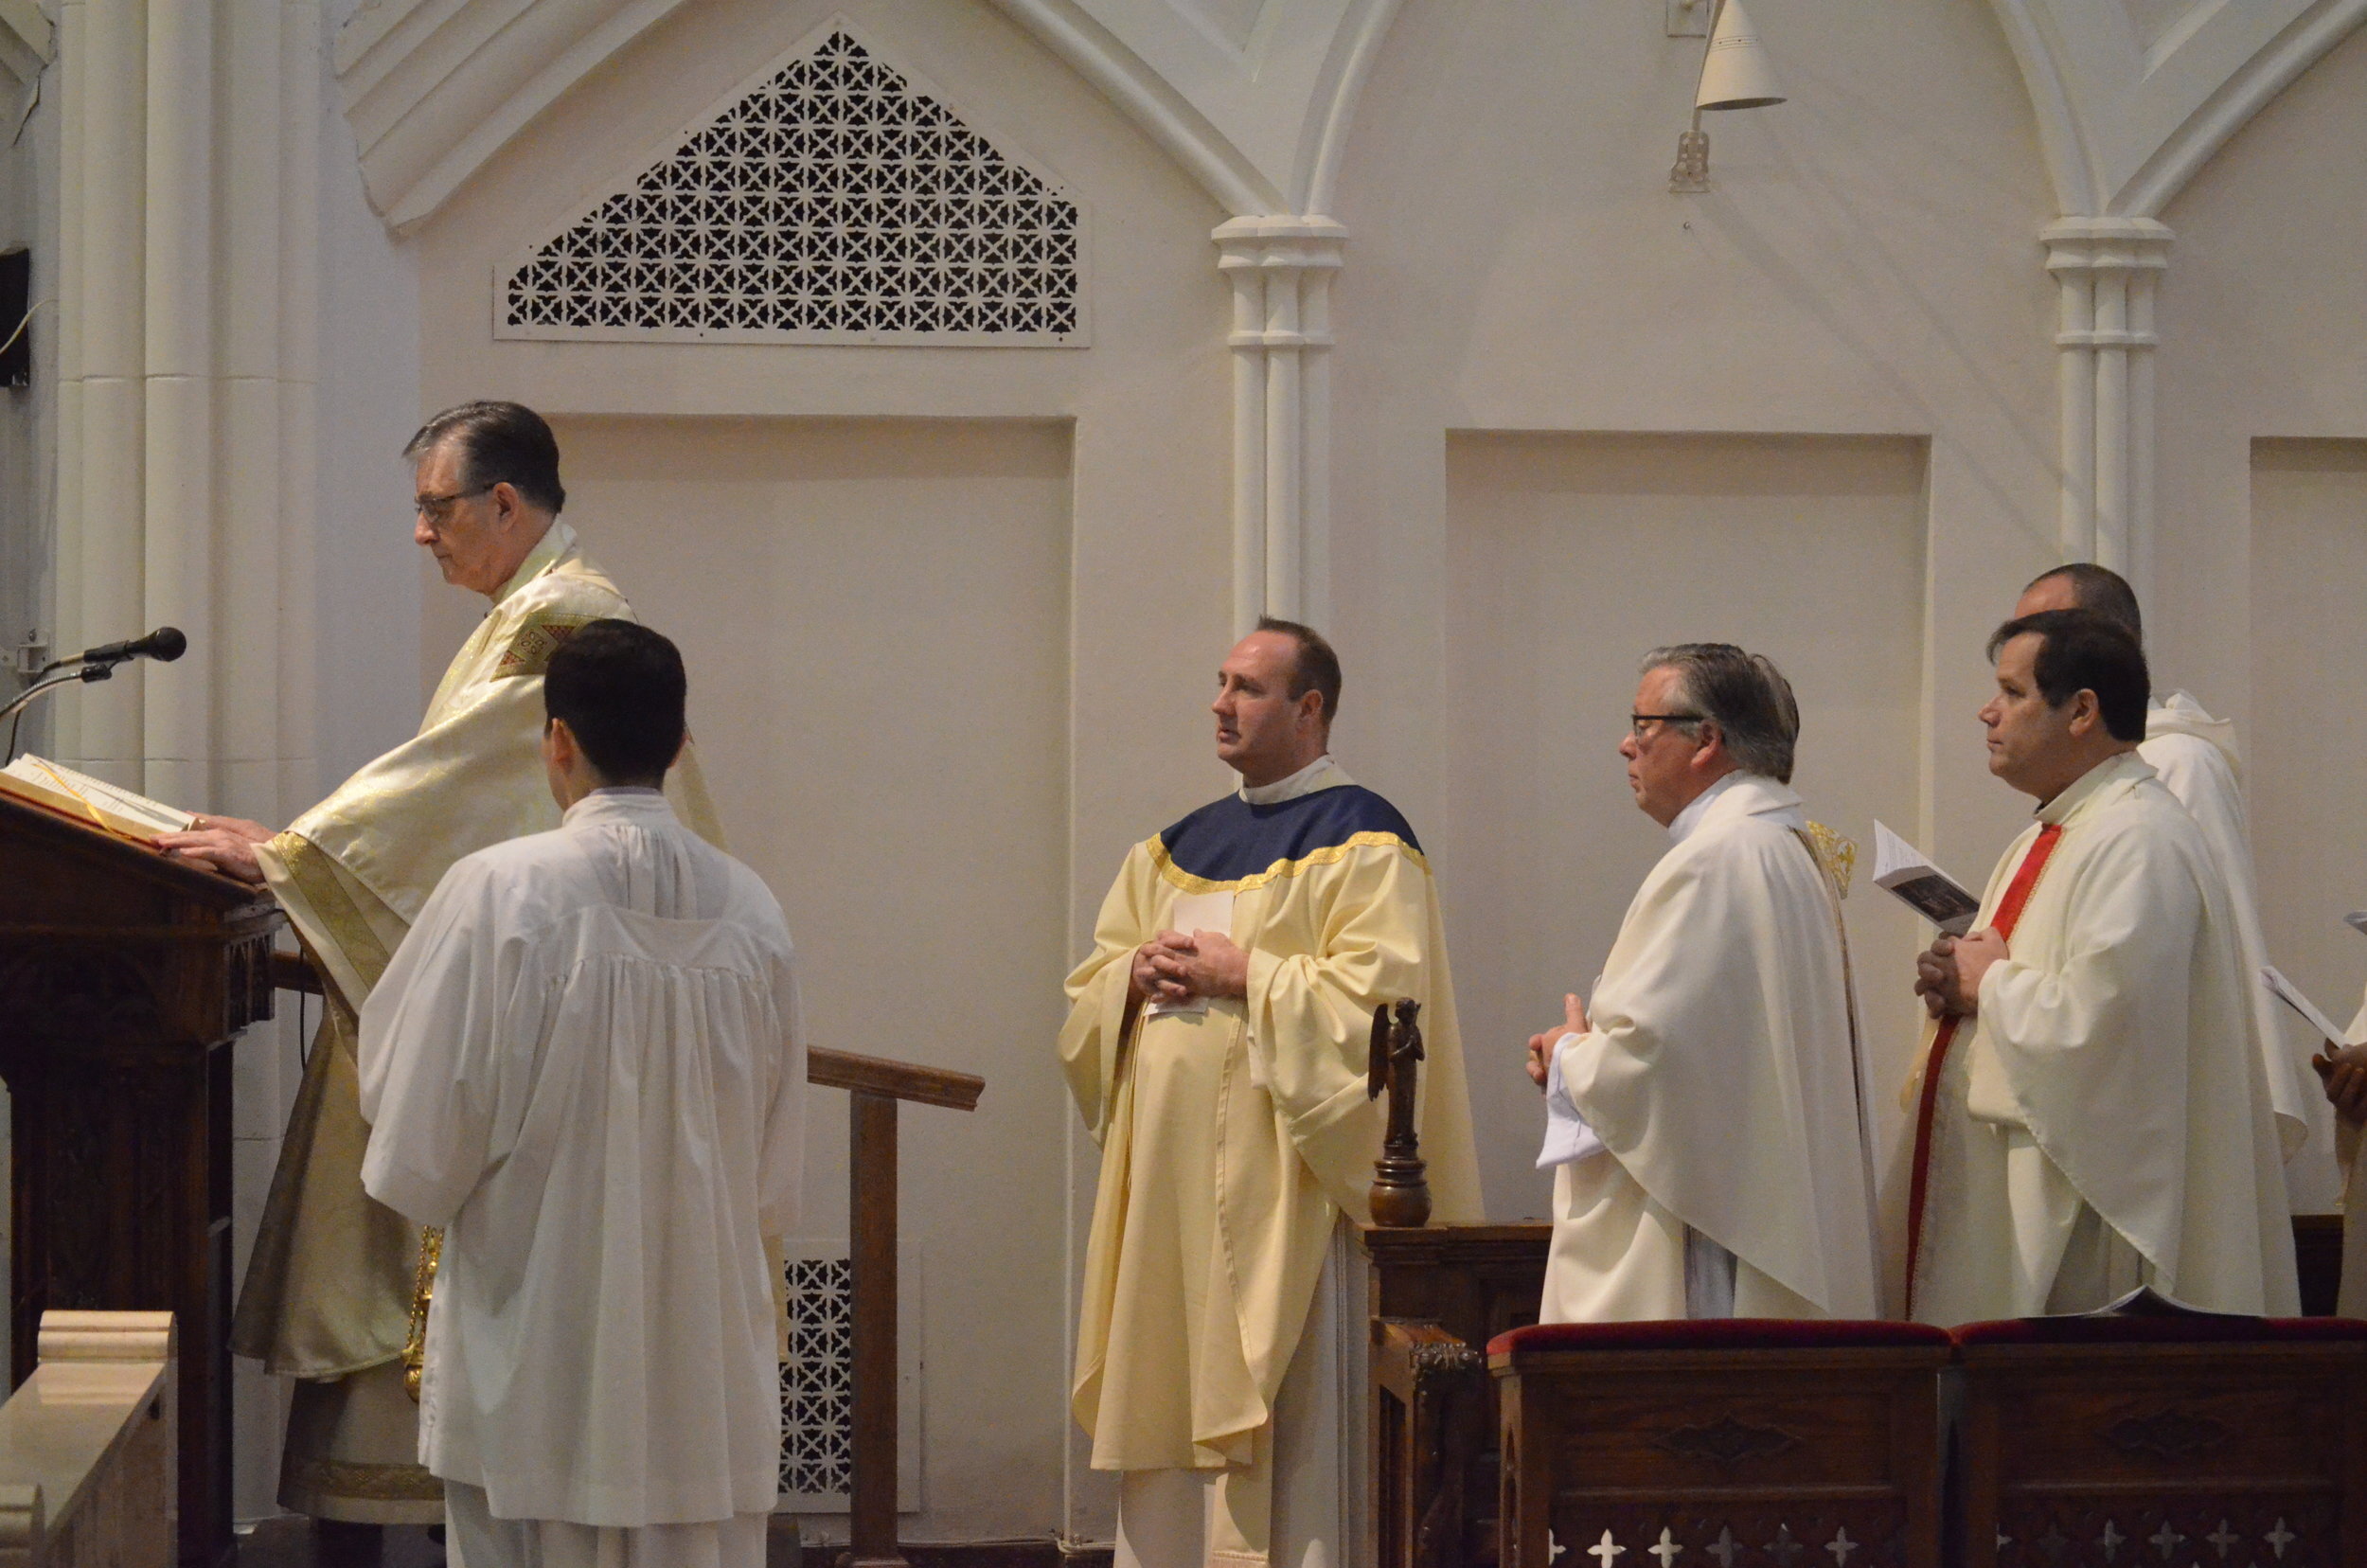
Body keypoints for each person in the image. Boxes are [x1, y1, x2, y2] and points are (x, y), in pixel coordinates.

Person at [156, 401, 722, 1531]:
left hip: (551, 1037)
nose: (423, 534)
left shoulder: (563, 617)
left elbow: (455, 792)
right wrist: (293, 854)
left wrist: (287, 858)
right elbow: (461, 806)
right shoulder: (531, 608)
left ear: (503, 503)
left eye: (435, 508)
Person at [357, 620, 801, 1567]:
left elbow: (417, 1147)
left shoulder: (498, 894)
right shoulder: (754, 910)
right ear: (682, 745)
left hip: (539, 1350)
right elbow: (771, 1171)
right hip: (698, 1360)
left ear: (556, 739)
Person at [1060, 617, 1482, 1568]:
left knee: (1291, 1432)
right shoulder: (1169, 850)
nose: (1220, 703)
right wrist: (1134, 977)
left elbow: (1386, 1011)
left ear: (1310, 708)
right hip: (1171, 1202)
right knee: (1166, 1407)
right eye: (1219, 683)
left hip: (1290, 1198)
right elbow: (1086, 994)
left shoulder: (1365, 839)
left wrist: (1245, 974)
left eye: (1247, 688)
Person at [1907, 610, 2296, 1321]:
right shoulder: (2062, 827)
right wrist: (1958, 986)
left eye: (2013, 692)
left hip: (2089, 1221)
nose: (1986, 712)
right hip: (2024, 1188)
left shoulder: (2138, 837)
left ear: (2082, 709)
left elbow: (2113, 1038)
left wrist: (1989, 984)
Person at [1527, 644, 1878, 1323]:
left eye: (1644, 725)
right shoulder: (1780, 845)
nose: (1626, 745)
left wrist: (1569, 1053)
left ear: (1706, 740)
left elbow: (1650, 1060)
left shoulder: (1717, 860)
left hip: (1716, 1250)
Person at [2014, 562, 2318, 1174]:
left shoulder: (2175, 761)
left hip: (2158, 1107)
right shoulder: (2080, 779)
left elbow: (2192, 959)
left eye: (2044, 630)